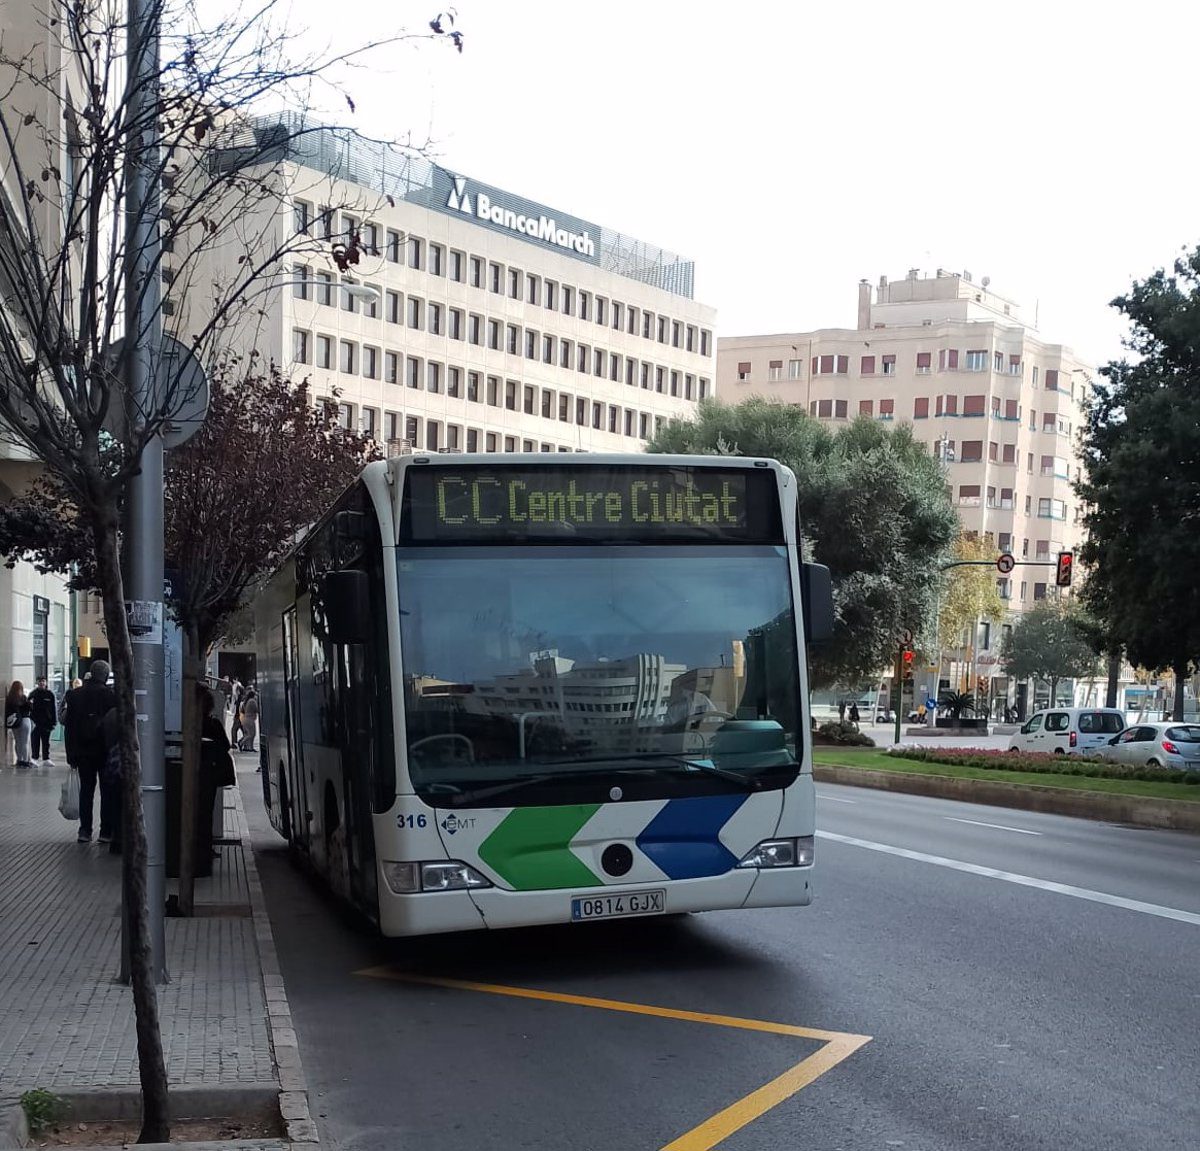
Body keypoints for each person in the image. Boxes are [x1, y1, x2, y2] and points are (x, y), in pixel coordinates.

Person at [61, 660, 117, 843]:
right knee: (107, 791)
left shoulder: (74, 695)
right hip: (104, 750)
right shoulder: (109, 696)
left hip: (82, 751)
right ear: (105, 675)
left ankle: (85, 830)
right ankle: (105, 831)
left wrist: (71, 754)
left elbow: (69, 727)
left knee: (86, 790)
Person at [199, 686, 235, 853]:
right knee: (206, 812)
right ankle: (206, 847)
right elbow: (226, 745)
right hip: (210, 775)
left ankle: (200, 847)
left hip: (196, 774)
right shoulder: (213, 724)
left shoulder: (187, 723)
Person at [29, 676, 57, 765]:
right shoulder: (33, 694)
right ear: (37, 683)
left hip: (47, 722)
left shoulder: (50, 694)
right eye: (40, 681)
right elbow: (29, 706)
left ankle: (46, 758)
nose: (42, 683)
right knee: (35, 740)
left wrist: (54, 722)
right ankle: (34, 758)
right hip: (36, 722)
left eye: (43, 681)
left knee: (46, 741)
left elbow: (53, 709)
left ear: (46, 683)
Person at [5, 681, 33, 768]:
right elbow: (30, 708)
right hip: (25, 720)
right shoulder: (23, 697)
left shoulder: (9, 698)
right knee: (25, 742)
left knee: (17, 741)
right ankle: (25, 761)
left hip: (15, 722)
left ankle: (19, 759)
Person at [238, 687, 259, 752]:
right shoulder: (252, 701)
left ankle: (250, 747)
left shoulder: (246, 701)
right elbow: (257, 709)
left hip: (246, 719)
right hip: (250, 719)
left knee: (250, 734)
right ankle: (241, 742)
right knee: (251, 734)